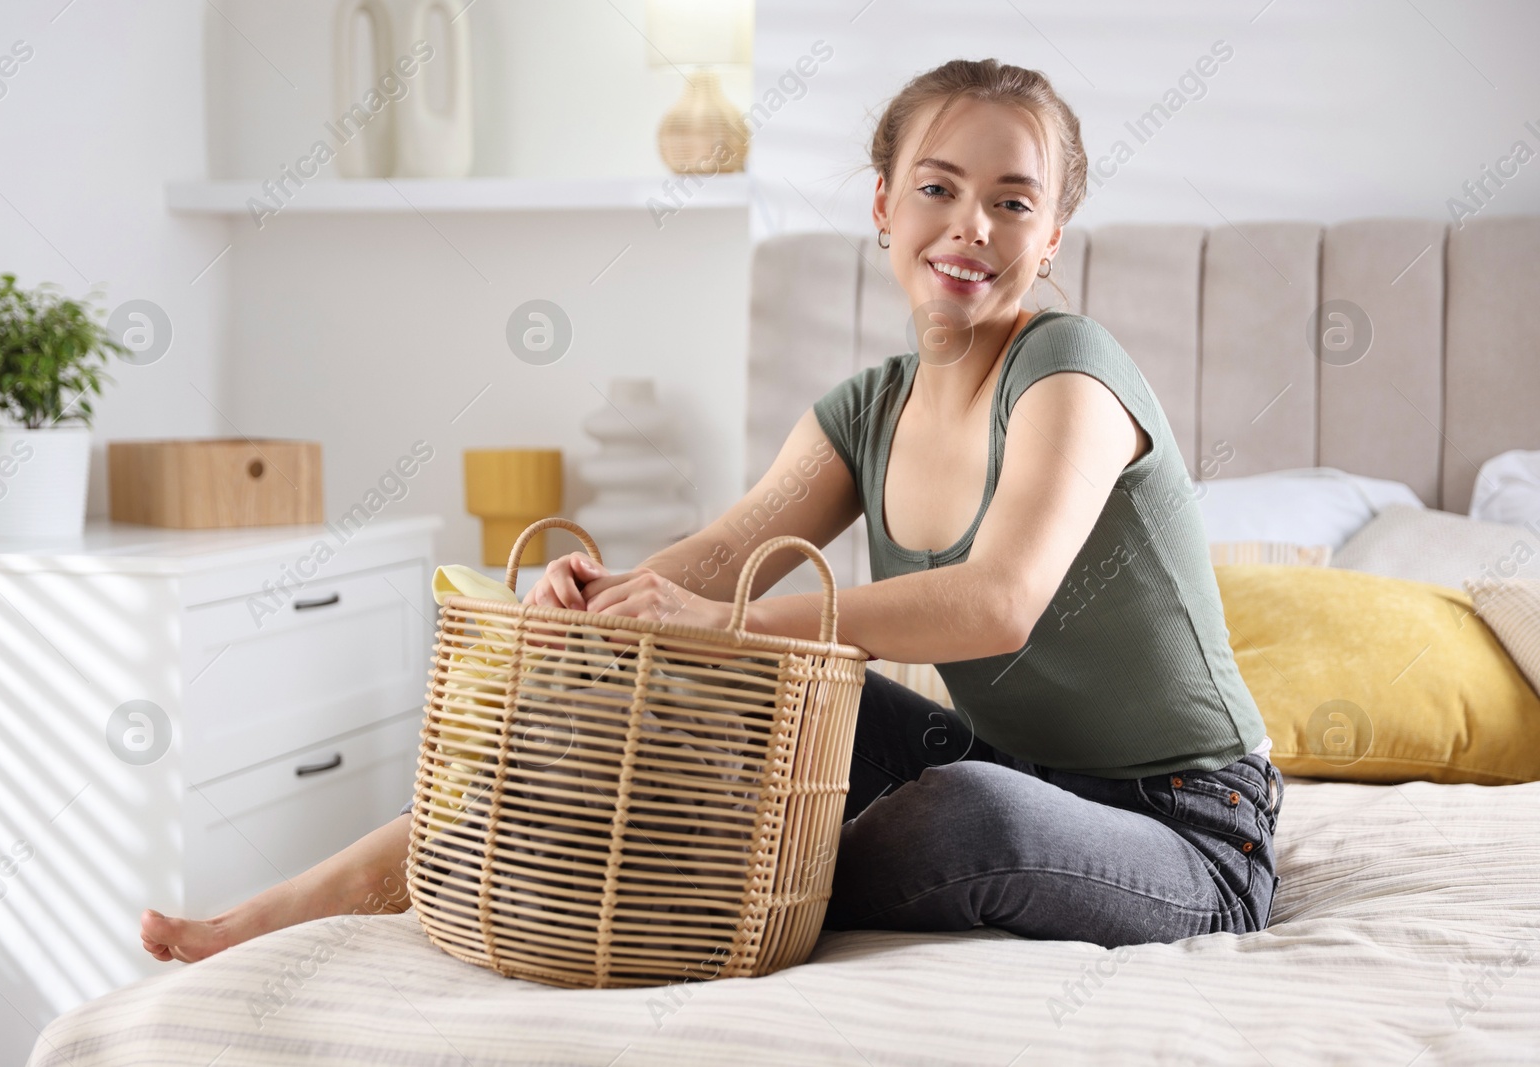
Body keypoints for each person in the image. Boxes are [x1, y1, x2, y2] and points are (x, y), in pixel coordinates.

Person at [140, 57, 1282, 965]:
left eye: (1011, 201)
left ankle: (672, 864)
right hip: (1002, 754)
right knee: (675, 683)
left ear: (1051, 238)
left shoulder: (1069, 368)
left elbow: (996, 602)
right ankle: (324, 889)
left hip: (1183, 821)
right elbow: (720, 560)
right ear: (884, 206)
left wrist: (717, 623)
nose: (969, 225)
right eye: (937, 187)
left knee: (968, 816)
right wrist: (615, 601)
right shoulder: (864, 408)